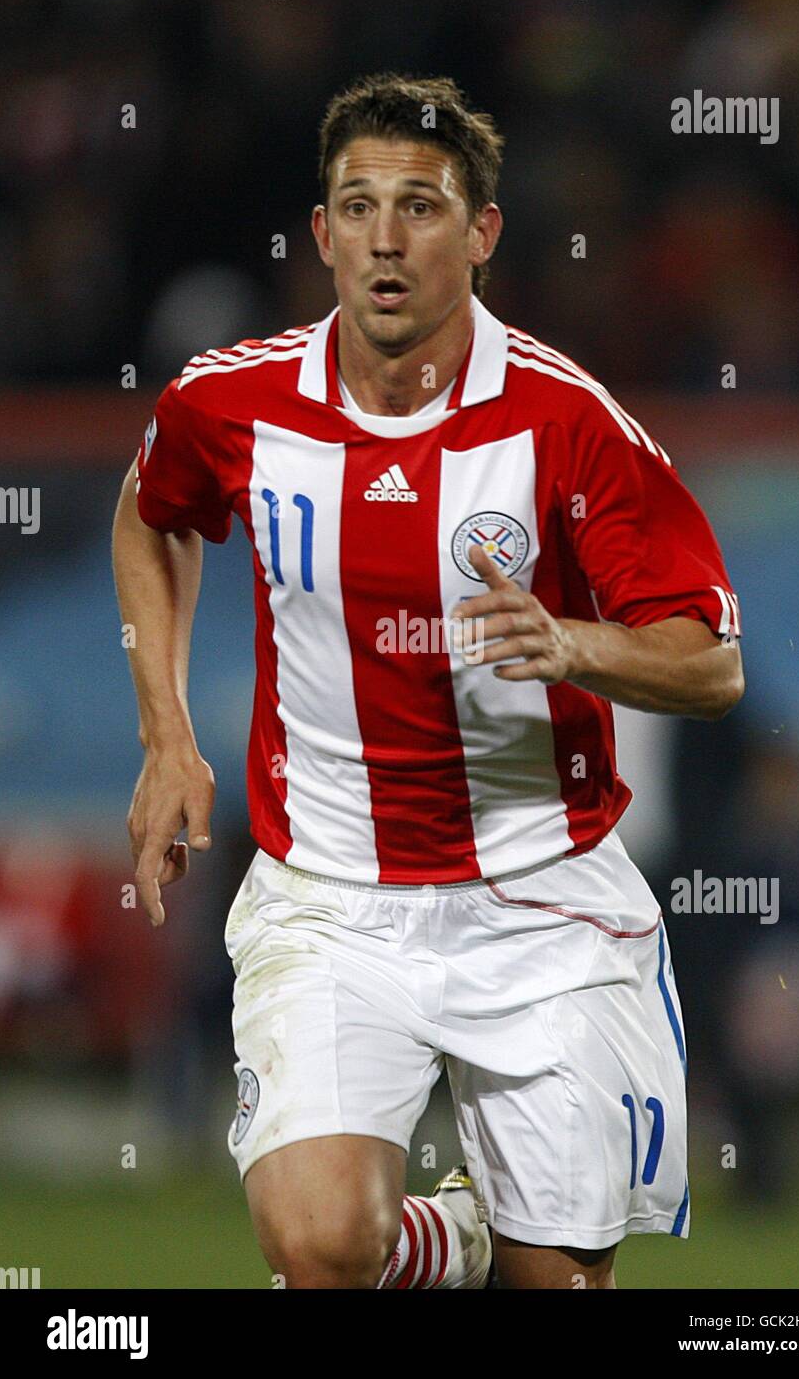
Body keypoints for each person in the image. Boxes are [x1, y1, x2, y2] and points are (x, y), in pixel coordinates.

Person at [112, 72, 745, 1289]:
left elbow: (708, 658)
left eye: (420, 205)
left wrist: (574, 642)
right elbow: (152, 514)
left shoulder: (565, 424)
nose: (385, 238)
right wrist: (164, 737)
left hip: (538, 899)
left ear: (483, 232)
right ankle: (446, 1232)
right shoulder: (233, 400)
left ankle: (498, 1243)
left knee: (553, 1283)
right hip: (330, 894)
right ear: (322, 234)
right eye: (357, 205)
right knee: (318, 1242)